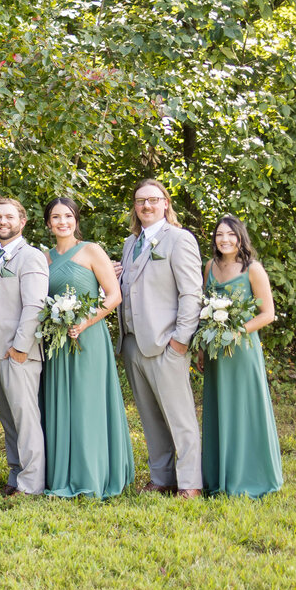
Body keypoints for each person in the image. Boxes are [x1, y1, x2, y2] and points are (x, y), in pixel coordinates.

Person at [40, 197, 134, 498]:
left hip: (88, 337)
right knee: (61, 404)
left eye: (67, 216)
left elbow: (113, 295)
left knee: (87, 403)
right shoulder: (44, 258)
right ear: (48, 223)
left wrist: (84, 321)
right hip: (57, 341)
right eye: (56, 217)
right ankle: (62, 473)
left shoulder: (92, 250)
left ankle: (94, 474)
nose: (62, 222)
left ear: (76, 220)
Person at [117, 179, 203, 498]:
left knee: (179, 416)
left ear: (165, 203)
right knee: (150, 417)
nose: (147, 206)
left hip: (166, 342)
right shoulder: (130, 244)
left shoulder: (179, 239)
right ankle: (162, 477)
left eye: (153, 200)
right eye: (140, 201)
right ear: (135, 208)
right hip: (133, 343)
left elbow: (192, 293)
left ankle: (191, 482)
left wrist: (180, 340)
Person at [199, 215, 282, 497]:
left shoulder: (253, 269)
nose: (224, 239)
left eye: (230, 235)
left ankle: (250, 476)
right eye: (219, 234)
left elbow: (268, 314)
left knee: (244, 409)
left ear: (240, 237)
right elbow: (202, 307)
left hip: (242, 349)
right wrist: (202, 346)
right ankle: (219, 476)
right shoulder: (209, 266)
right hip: (214, 352)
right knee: (218, 409)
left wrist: (235, 332)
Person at [0, 196, 49, 496]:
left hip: (18, 353)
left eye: (9, 217)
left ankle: (32, 484)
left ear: (22, 221)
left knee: (26, 419)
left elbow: (35, 304)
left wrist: (20, 347)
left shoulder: (31, 256)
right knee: (9, 420)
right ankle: (15, 475)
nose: (3, 222)